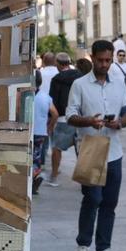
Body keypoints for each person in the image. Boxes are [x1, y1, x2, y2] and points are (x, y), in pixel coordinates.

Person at [67, 40, 126, 251]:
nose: (105, 64)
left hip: (114, 150)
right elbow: (70, 116)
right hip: (91, 147)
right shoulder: (80, 84)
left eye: (108, 60)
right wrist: (89, 120)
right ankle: (84, 245)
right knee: (92, 198)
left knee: (110, 202)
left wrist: (120, 122)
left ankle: (104, 248)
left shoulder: (119, 82)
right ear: (92, 58)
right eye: (101, 60)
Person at [46, 52, 81, 186]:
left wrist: (50, 120)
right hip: (79, 117)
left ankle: (54, 176)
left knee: (56, 149)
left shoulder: (57, 79)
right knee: (81, 149)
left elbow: (53, 99)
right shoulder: (79, 76)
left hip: (62, 118)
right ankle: (84, 177)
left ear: (58, 64)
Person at [31, 87, 57, 195]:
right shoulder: (45, 97)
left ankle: (30, 180)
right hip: (40, 131)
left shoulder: (24, 93)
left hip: (27, 130)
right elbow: (55, 114)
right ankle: (36, 177)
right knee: (36, 158)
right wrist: (50, 127)